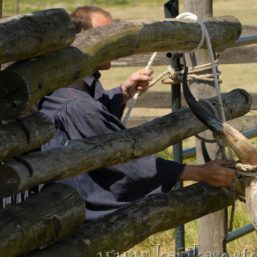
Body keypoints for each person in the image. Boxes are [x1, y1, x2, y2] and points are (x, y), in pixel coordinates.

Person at [39, 5, 236, 221]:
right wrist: (200, 172)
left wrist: (122, 93)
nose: (114, 45)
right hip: (72, 203)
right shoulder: (76, 103)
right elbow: (123, 159)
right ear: (82, 40)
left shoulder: (67, 82)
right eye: (104, 37)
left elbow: (89, 118)